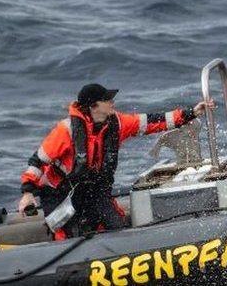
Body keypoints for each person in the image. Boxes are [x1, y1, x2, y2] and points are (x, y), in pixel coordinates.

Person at [17, 84, 214, 239]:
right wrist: (27, 194)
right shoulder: (66, 131)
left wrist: (191, 113)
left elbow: (153, 121)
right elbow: (38, 161)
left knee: (115, 225)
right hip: (60, 193)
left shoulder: (118, 123)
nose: (112, 101)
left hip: (93, 189)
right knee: (67, 234)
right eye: (107, 99)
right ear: (94, 106)